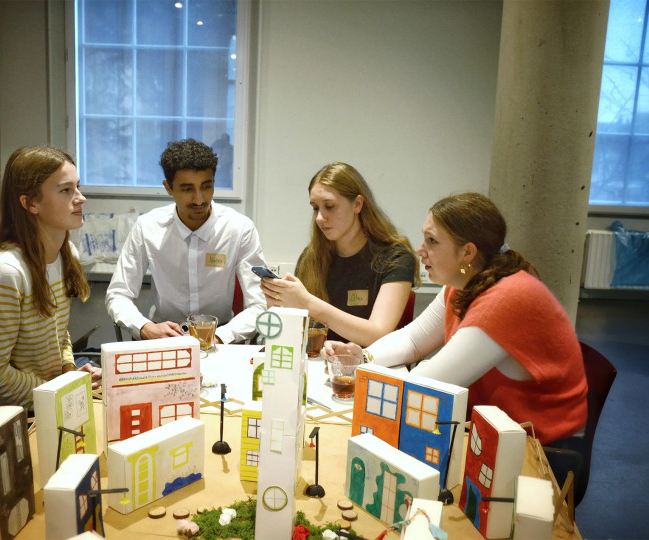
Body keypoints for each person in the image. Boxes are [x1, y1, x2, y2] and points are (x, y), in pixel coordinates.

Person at [324, 192, 588, 445]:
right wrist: (362, 358)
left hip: (542, 449)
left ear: (467, 253)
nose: (420, 250)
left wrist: (362, 376)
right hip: (498, 432)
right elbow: (413, 340)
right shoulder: (465, 281)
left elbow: (427, 384)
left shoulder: (506, 299)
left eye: (432, 241)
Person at [0, 146, 101, 412]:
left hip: (42, 401)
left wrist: (69, 370)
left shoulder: (67, 254)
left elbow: (57, 334)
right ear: (30, 203)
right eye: (65, 190)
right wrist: (59, 390)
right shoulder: (5, 273)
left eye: (77, 187)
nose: (81, 198)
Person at [106, 138, 267, 343]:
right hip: (163, 337)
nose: (199, 199)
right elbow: (118, 294)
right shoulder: (147, 227)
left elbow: (259, 304)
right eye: (187, 189)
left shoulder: (239, 229)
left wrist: (219, 336)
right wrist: (145, 327)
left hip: (221, 338)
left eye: (206, 186)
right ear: (168, 187)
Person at [261, 162, 420, 347]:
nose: (320, 218)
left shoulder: (396, 258)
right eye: (315, 208)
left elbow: (377, 334)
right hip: (318, 361)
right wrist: (278, 308)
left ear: (357, 205)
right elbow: (297, 337)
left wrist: (308, 303)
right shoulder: (310, 257)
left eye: (330, 206)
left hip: (369, 363)